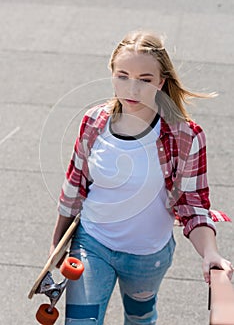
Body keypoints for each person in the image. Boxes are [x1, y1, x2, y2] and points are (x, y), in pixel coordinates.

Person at [50, 30, 233, 325]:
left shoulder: (186, 136)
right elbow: (75, 184)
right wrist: (55, 244)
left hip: (148, 255)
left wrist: (210, 253)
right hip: (92, 242)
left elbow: (192, 203)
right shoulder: (93, 122)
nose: (131, 89)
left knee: (140, 320)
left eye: (145, 80)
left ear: (161, 82)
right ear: (112, 74)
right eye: (122, 76)